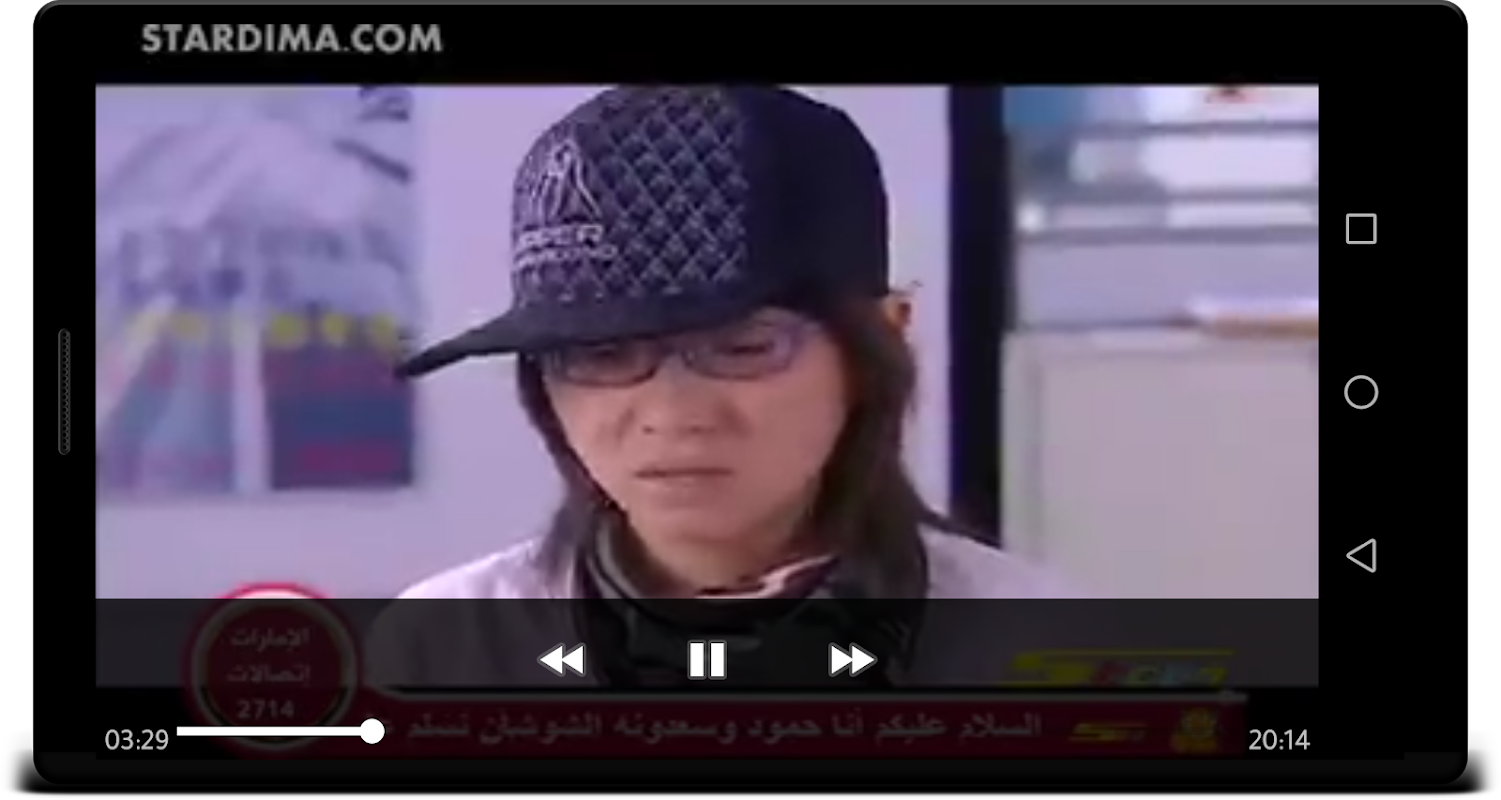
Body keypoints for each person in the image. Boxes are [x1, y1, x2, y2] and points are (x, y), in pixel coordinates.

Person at [377, 86, 1080, 689]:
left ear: (882, 341)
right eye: (601, 355)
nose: (671, 415)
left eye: (742, 347)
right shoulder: (446, 647)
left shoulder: (1032, 644)